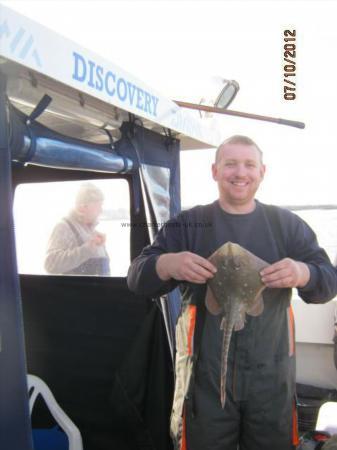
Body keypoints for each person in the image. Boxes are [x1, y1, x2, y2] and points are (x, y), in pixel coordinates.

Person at [127, 135, 337, 450]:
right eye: (230, 164)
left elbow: (328, 283)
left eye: (249, 164)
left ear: (262, 171)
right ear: (214, 171)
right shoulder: (189, 225)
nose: (240, 173)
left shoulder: (286, 226)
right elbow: (137, 278)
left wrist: (303, 272)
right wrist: (168, 263)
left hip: (271, 376)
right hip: (204, 378)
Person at [45, 182, 110, 276]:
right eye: (98, 205)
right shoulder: (64, 227)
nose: (101, 210)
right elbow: (50, 264)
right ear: (83, 207)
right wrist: (87, 249)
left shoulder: (93, 233)